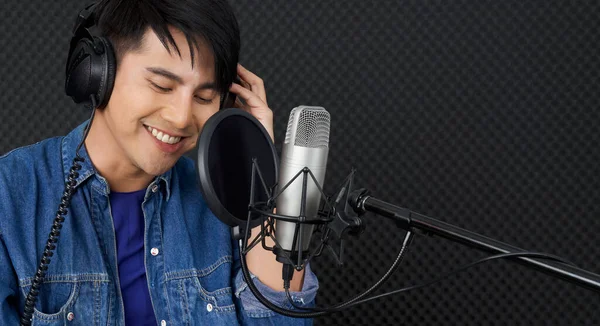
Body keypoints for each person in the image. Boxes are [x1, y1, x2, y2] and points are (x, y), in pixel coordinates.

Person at [0, 0, 318, 325]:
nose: (181, 118)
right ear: (95, 73)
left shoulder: (228, 204)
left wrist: (257, 163)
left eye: (204, 98)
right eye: (161, 86)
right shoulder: (10, 195)